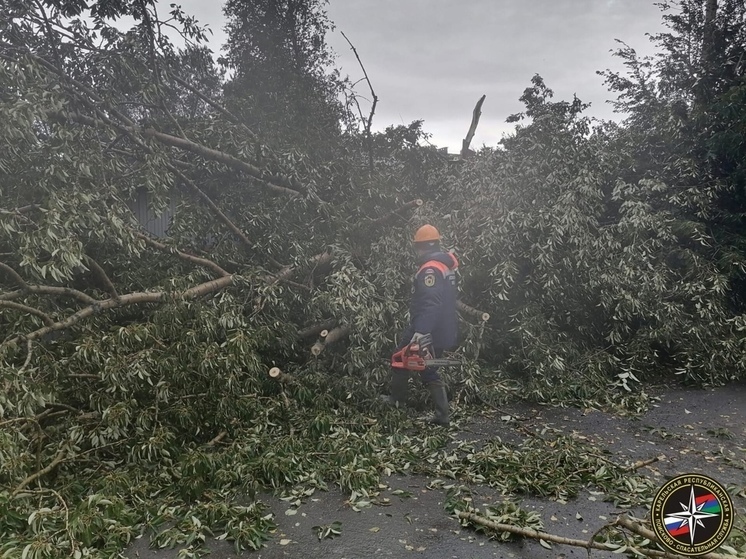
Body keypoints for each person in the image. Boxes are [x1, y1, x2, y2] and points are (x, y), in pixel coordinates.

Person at [382, 224, 459, 426]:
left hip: (429, 327)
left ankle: (397, 402)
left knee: (401, 357)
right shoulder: (445, 265)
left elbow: (431, 303)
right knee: (427, 366)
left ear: (421, 247)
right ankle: (440, 413)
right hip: (443, 326)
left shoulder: (430, 269)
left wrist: (421, 332)